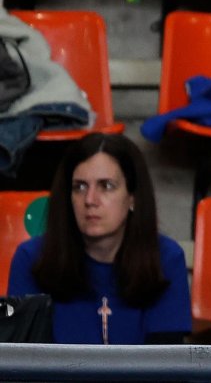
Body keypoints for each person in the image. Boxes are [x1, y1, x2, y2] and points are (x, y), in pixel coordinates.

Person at [7, 133, 190, 345]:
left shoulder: (166, 259)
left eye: (107, 186)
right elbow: (20, 366)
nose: (90, 200)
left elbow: (167, 369)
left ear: (133, 197)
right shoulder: (31, 259)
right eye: (80, 187)